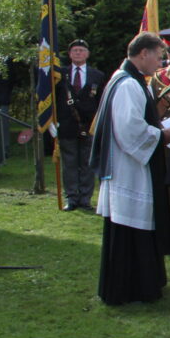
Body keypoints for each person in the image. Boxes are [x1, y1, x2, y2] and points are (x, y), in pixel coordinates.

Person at [90, 32, 170, 305]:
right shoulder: (128, 85)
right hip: (130, 167)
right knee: (132, 225)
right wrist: (162, 135)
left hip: (128, 164)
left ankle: (137, 284)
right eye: (158, 56)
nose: (160, 63)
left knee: (130, 227)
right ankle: (133, 287)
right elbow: (129, 129)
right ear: (143, 54)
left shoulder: (126, 79)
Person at [57, 39, 106, 211]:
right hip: (67, 124)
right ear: (69, 54)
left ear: (87, 54)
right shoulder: (60, 74)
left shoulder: (97, 76)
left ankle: (85, 198)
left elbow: (101, 102)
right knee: (69, 162)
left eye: (81, 50)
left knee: (87, 163)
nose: (78, 53)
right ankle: (71, 197)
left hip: (89, 125)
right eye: (75, 50)